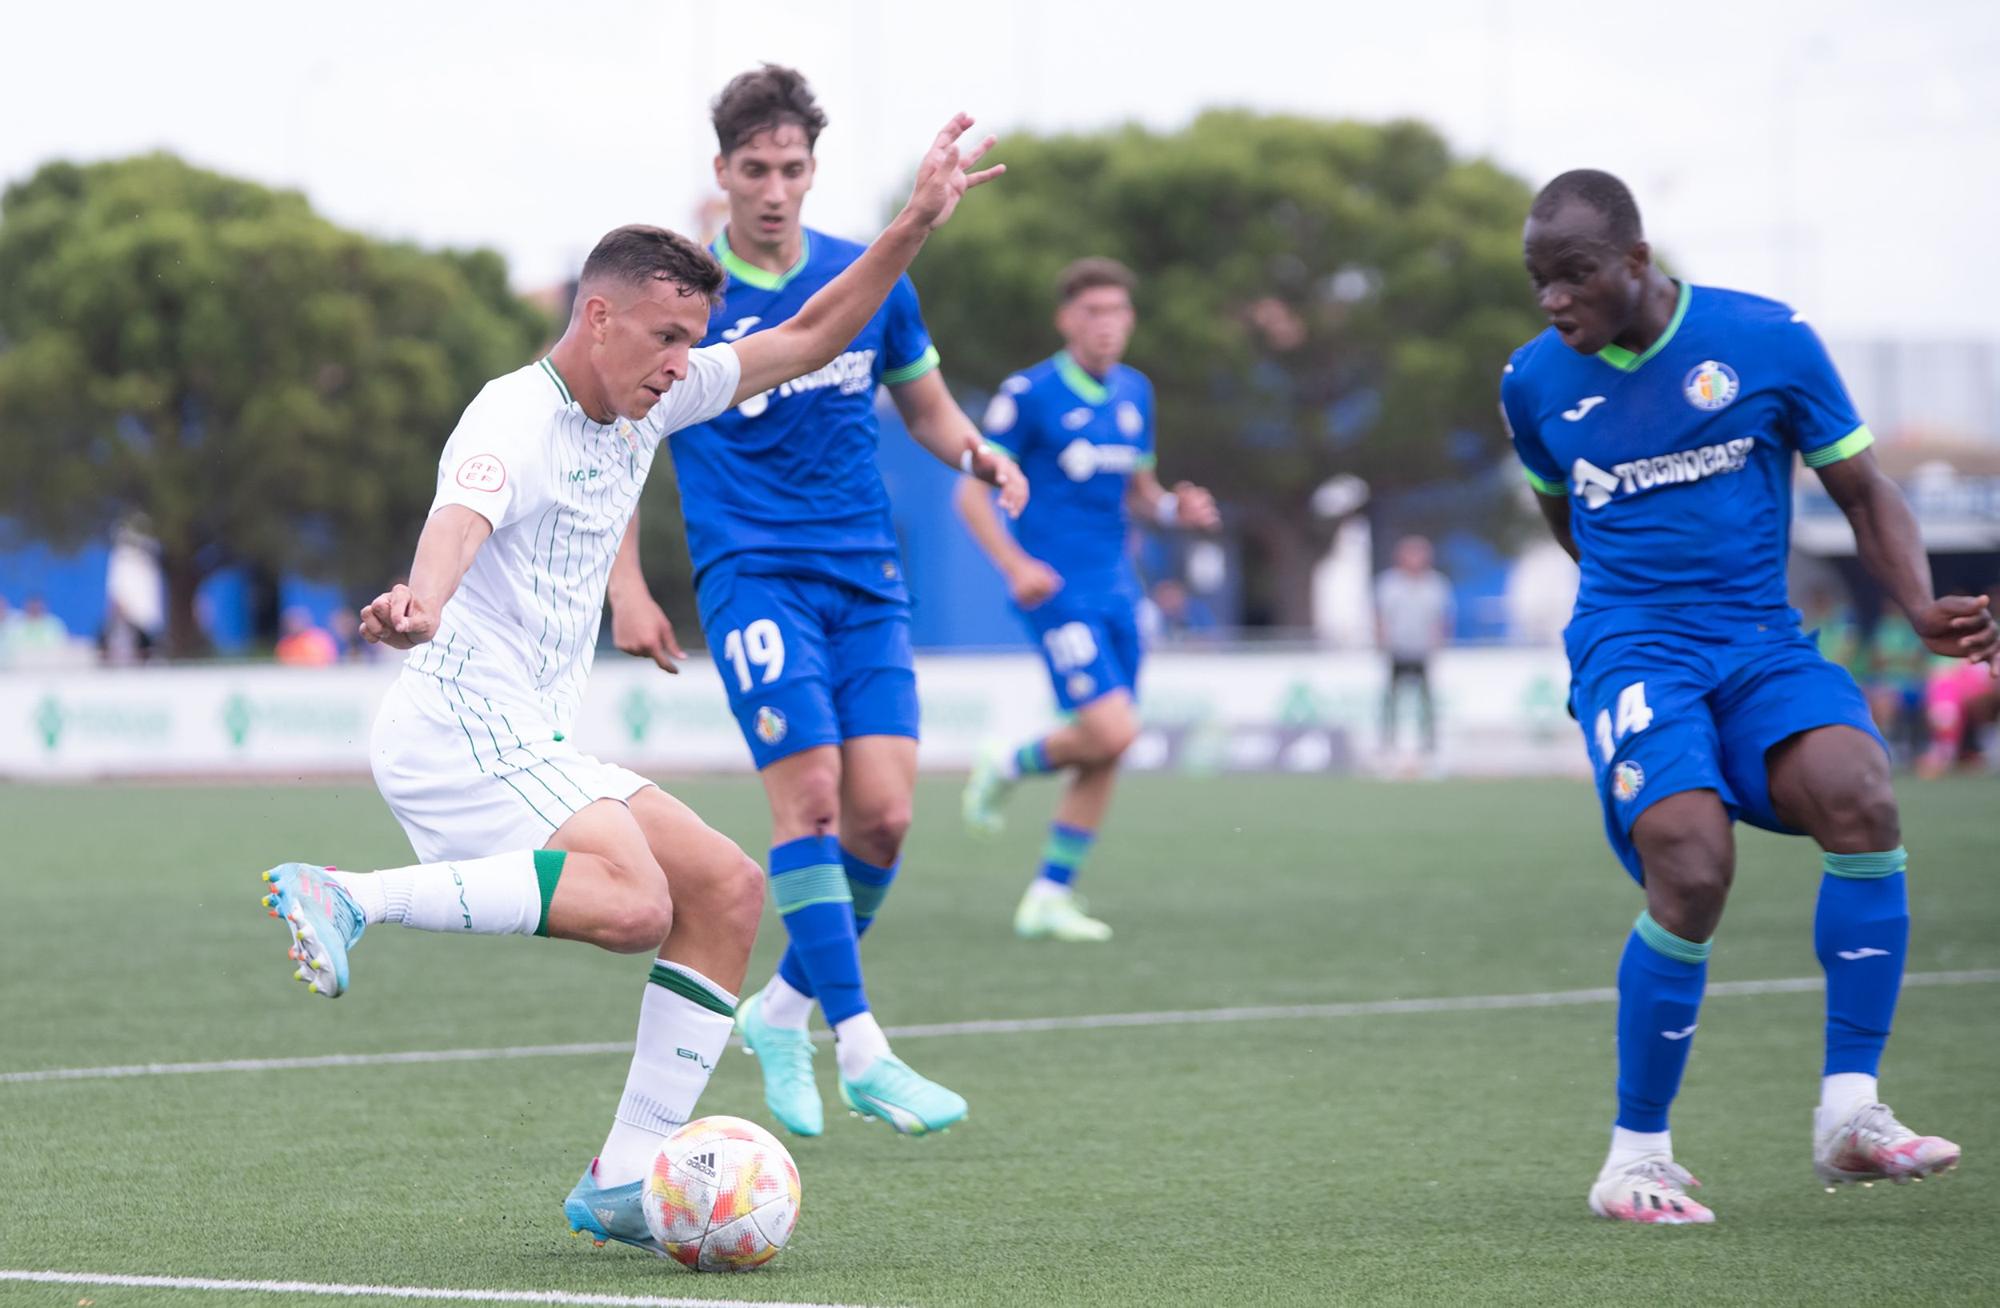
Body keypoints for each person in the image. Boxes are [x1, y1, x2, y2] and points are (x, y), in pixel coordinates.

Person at [255, 112, 1002, 1258]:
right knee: (638, 902)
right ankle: (351, 894)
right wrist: (420, 601)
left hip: (531, 734)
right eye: (663, 336)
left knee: (728, 895)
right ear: (595, 317)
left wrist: (909, 223)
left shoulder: (659, 391)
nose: (680, 361)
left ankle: (618, 1182)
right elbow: (459, 519)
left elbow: (806, 336)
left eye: (691, 340)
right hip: (459, 721)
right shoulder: (513, 415)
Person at [1501, 169, 1998, 1225]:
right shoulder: (1532, 384)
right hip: (1632, 647)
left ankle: (1849, 1116)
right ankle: (1634, 1157)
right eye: (1538, 281)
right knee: (1688, 861)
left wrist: (1916, 606)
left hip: (1758, 641)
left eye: (1573, 276)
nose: (1553, 300)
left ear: (1634, 262)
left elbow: (1862, 491)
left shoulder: (1766, 341)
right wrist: (1627, 607)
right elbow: (1567, 519)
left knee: (1859, 793)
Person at [664, 67, 1025, 1143]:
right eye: (754, 169)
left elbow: (923, 406)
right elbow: (618, 441)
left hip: (863, 574)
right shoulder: (687, 301)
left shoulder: (870, 281)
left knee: (884, 815)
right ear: (721, 171)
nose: (775, 189)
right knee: (810, 801)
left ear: (813, 171)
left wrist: (975, 448)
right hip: (753, 574)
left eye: (793, 168)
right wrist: (631, 587)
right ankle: (860, 1045)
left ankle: (779, 1011)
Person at [957, 257, 1219, 942]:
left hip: (1118, 593)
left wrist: (1174, 509)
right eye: (1093, 312)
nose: (1107, 325)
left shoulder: (1136, 394)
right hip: (1056, 590)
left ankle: (1050, 893)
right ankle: (1008, 763)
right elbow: (970, 492)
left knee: (1108, 749)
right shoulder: (1030, 395)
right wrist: (1015, 565)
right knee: (1112, 730)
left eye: (1118, 312)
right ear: (1067, 320)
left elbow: (1142, 494)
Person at [1374, 535, 1453, 760]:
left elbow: (1442, 618)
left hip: (1423, 650)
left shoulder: (1436, 584)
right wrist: (1382, 642)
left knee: (1426, 699)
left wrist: (1439, 643)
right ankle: (1387, 742)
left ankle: (1429, 744)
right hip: (1396, 649)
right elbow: (1381, 616)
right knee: (1391, 699)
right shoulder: (1389, 584)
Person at [274, 605, 339, 666]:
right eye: (290, 622)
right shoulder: (285, 643)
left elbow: (328, 661)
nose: (293, 624)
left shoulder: (319, 638)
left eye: (297, 621)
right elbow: (283, 665)